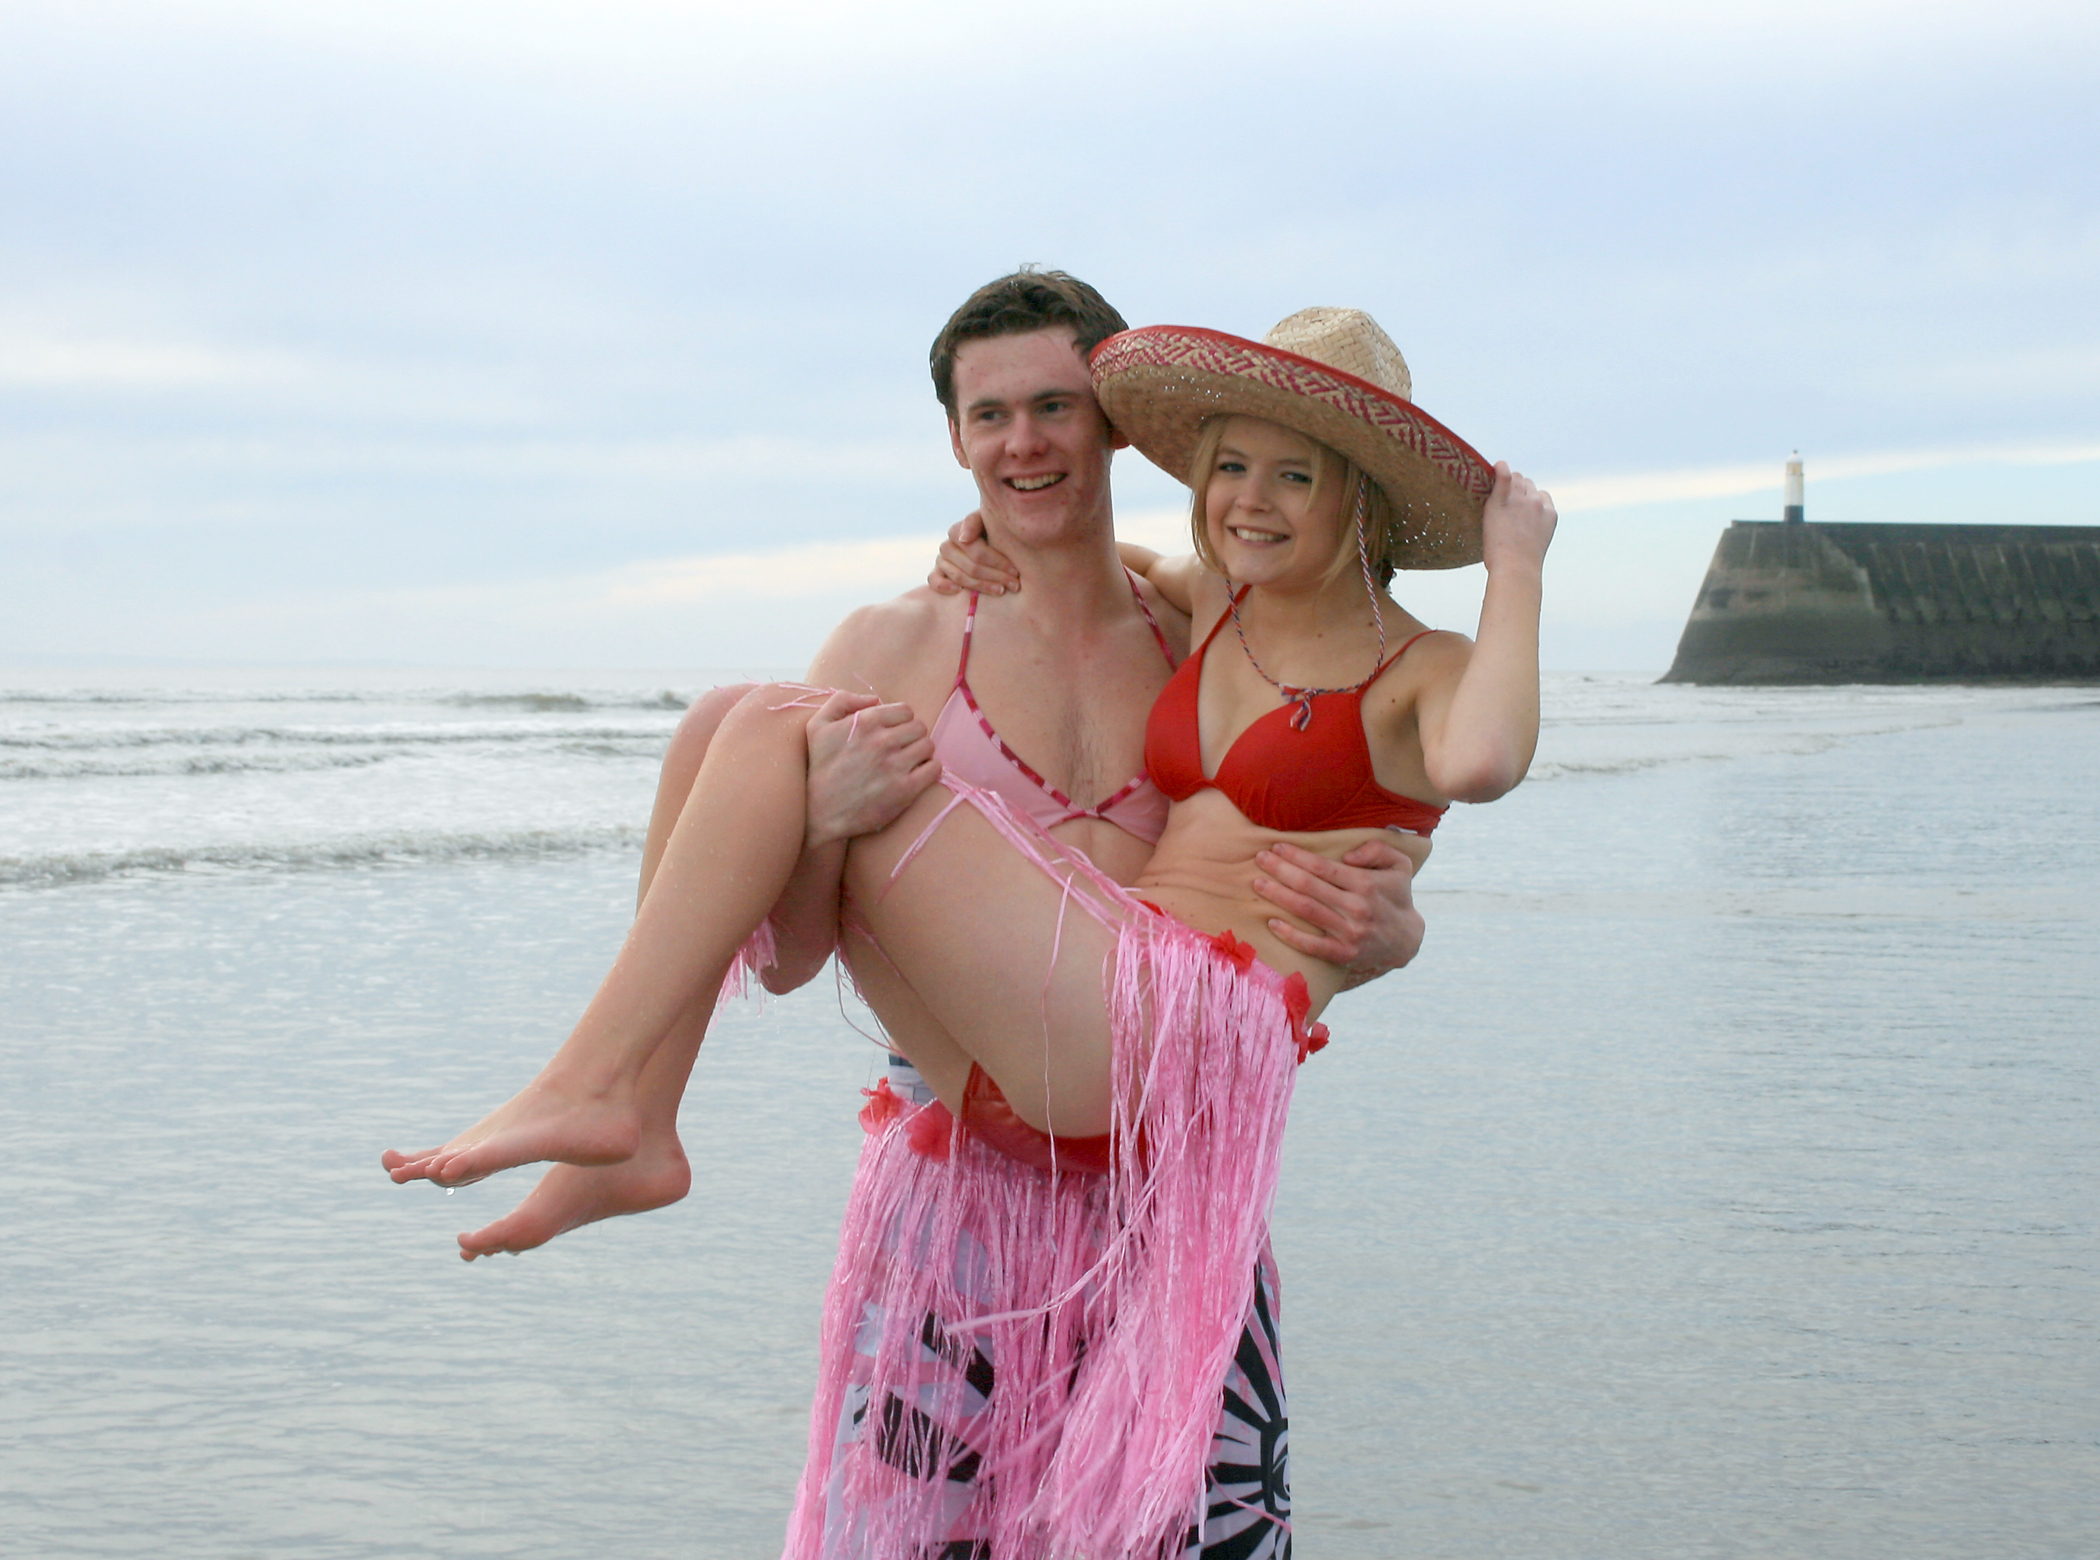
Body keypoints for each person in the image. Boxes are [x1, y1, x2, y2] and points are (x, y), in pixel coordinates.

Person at [387, 277, 1553, 1556]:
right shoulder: (902, 641)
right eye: (990, 416)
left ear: (1113, 429)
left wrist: (1394, 935)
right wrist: (823, 824)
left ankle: (617, 1099)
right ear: (955, 437)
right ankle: (621, 1109)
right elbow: (790, 959)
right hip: (963, 1182)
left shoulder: (1204, 624)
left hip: (1160, 1177)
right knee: (739, 718)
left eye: (1055, 407)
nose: (1023, 443)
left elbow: (1369, 792)